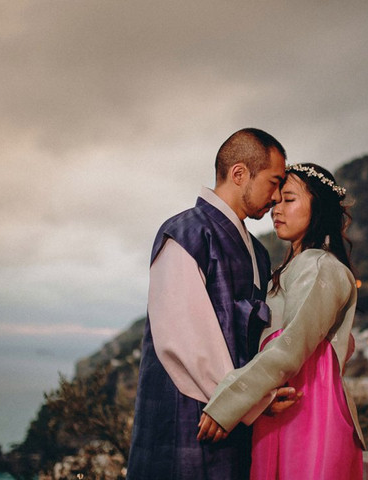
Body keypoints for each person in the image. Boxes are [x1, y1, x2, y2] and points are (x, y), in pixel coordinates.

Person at [126, 128, 290, 479]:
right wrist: (240, 400)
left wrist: (248, 398)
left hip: (234, 413)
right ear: (239, 173)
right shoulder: (185, 233)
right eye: (274, 182)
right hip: (189, 410)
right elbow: (183, 337)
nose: (276, 196)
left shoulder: (258, 252)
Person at [198, 163, 365, 479]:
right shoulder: (299, 267)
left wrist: (227, 403)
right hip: (290, 410)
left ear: (318, 206)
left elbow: (289, 347)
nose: (277, 210)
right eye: (275, 201)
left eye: (289, 199)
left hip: (310, 414)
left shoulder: (320, 267)